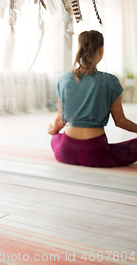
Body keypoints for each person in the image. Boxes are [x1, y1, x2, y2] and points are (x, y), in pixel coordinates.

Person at [49, 30, 137, 167]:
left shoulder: (64, 80)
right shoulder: (110, 81)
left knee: (56, 138)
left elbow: (61, 120)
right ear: (100, 50)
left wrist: (52, 130)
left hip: (66, 152)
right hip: (95, 153)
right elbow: (121, 122)